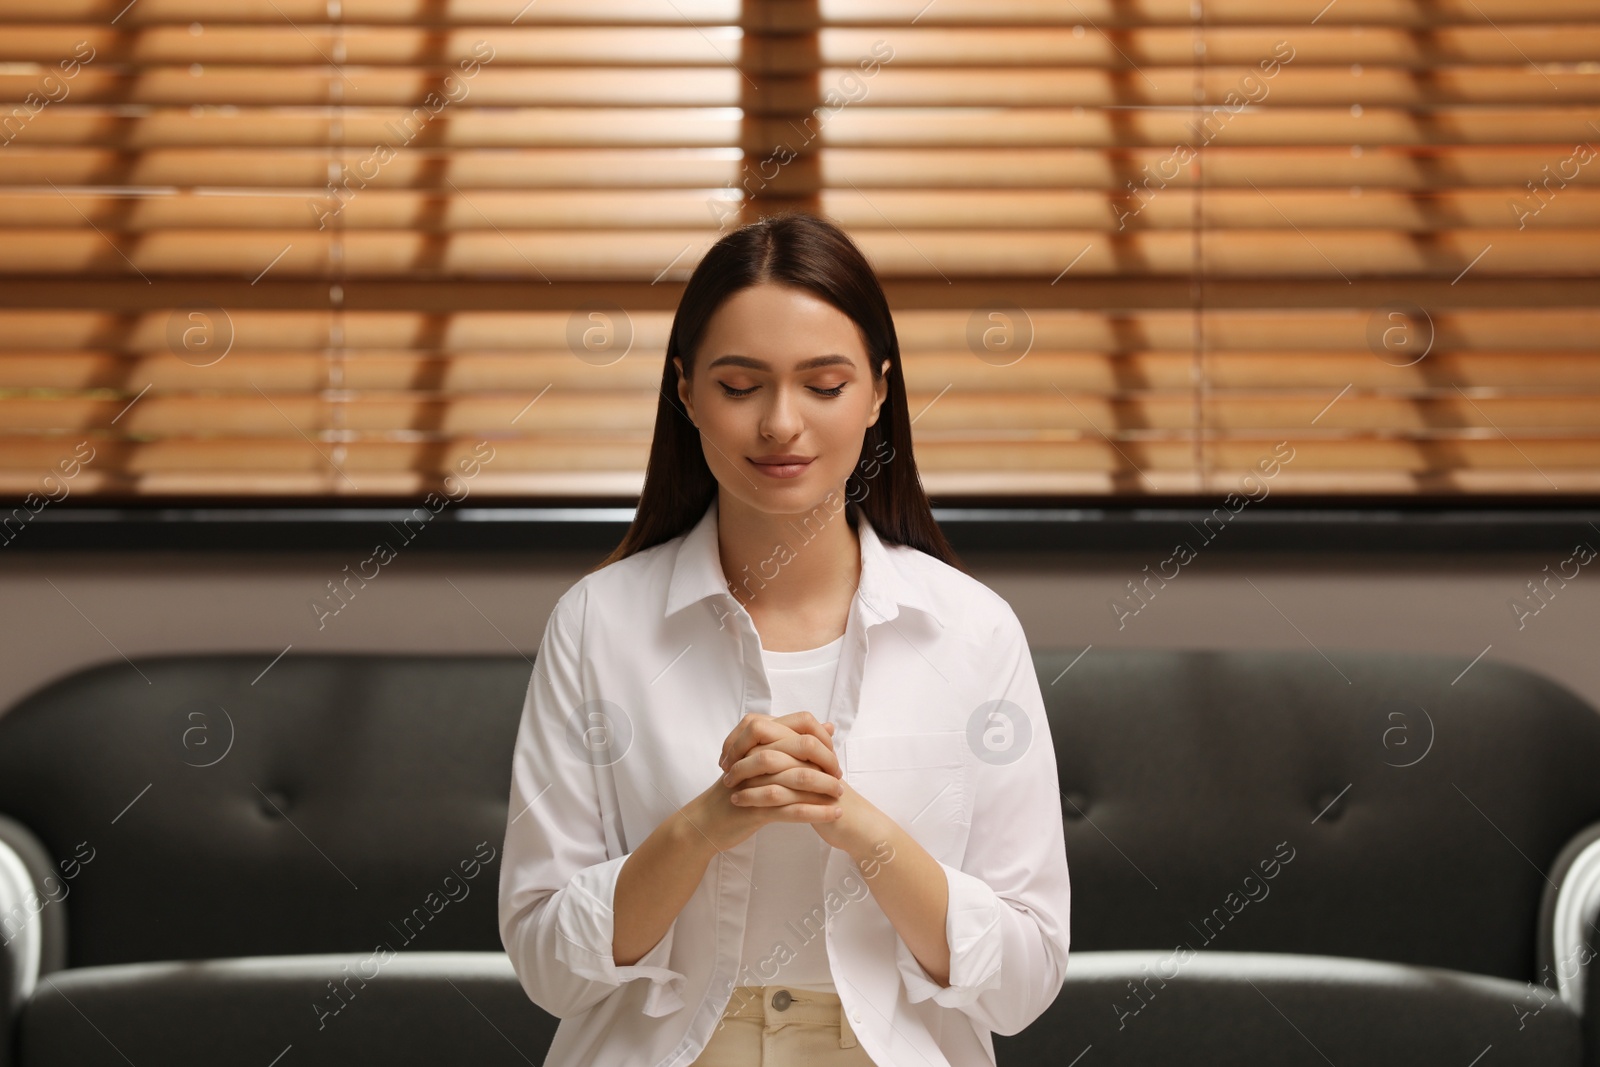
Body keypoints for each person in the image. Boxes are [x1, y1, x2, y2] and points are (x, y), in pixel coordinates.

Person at [498, 211, 1071, 1067]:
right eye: (739, 387)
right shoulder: (595, 623)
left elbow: (1024, 981)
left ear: (879, 391)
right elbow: (547, 965)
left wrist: (858, 826)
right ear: (686, 392)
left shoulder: (974, 631)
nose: (780, 424)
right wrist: (702, 826)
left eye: (824, 384)